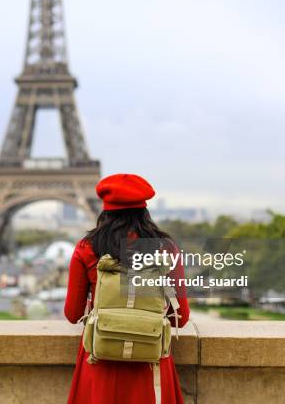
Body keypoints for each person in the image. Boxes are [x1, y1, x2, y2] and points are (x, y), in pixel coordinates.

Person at [64, 173, 190, 404]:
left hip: (100, 361)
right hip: (149, 364)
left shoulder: (87, 248)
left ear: (105, 209)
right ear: (144, 210)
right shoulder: (166, 249)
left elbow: (73, 314)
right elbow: (180, 319)